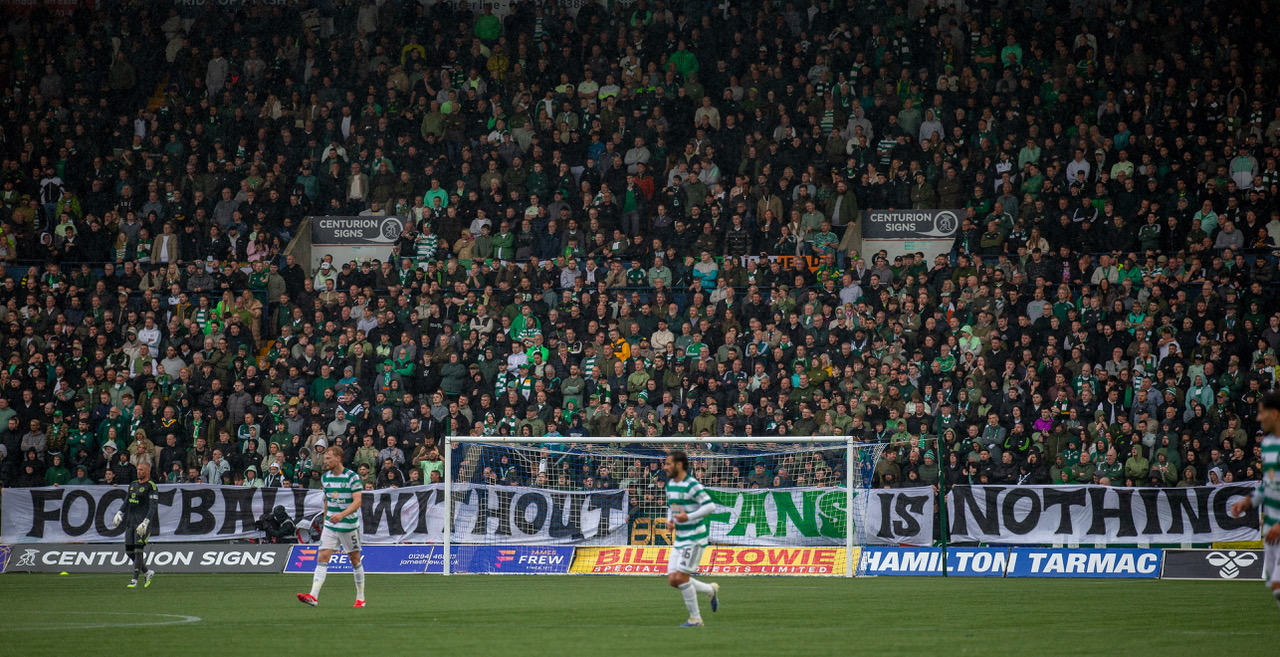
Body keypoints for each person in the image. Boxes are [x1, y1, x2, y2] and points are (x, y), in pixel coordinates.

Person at [298, 445, 365, 608]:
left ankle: (360, 597)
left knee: (355, 560)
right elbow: (327, 499)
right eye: (325, 458)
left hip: (348, 524)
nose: (325, 461)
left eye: (328, 458)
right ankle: (313, 596)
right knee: (322, 557)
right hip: (331, 524)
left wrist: (342, 514)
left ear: (338, 459)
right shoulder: (325, 478)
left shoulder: (352, 477)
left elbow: (358, 501)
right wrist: (326, 518)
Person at [1231, 391, 1280, 610]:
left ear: (1275, 414)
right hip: (1271, 528)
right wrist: (1248, 501)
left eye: (1262, 413)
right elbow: (1268, 486)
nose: (1258, 418)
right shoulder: (1268, 444)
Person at [663, 450, 719, 627]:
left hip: (695, 537)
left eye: (668, 464)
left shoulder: (692, 484)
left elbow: (710, 506)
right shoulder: (670, 484)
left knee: (681, 578)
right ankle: (710, 589)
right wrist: (669, 521)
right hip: (680, 538)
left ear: (679, 465)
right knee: (673, 580)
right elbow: (671, 507)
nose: (665, 467)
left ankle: (695, 619)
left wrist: (689, 516)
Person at [111, 461, 156, 588]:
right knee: (128, 551)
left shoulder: (151, 486)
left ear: (147, 471)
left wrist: (146, 522)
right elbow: (127, 501)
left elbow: (153, 507)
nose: (139, 472)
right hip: (130, 523)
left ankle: (134, 580)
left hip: (142, 524)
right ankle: (147, 572)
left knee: (138, 550)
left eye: (141, 470)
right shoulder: (133, 485)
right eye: (138, 469)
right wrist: (119, 512)